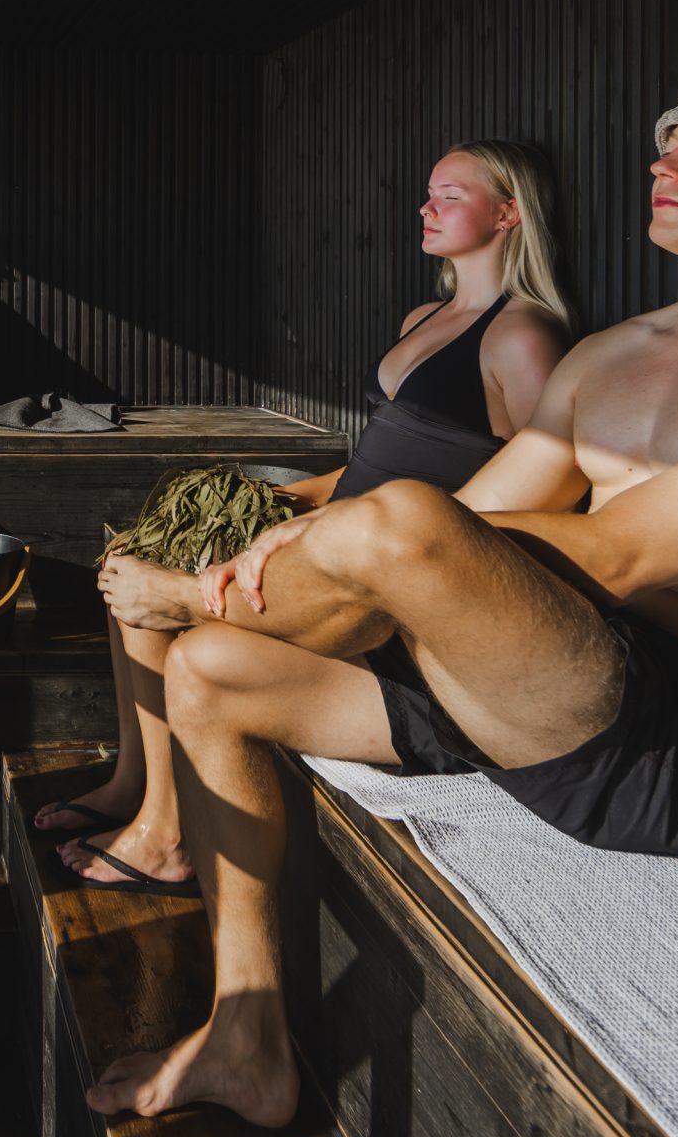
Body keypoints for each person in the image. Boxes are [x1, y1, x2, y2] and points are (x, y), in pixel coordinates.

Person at [86, 23, 678, 1128]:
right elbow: (487, 523)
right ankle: (244, 1032)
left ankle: (195, 609)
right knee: (207, 673)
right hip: (531, 680)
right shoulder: (613, 354)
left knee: (382, 530)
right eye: (664, 141)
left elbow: (617, 555)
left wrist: (265, 568)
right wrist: (323, 558)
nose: (662, 162)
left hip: (673, 748)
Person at [35, 142, 574, 893]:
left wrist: (361, 540)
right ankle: (135, 781)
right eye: (427, 192)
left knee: (156, 597)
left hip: (376, 576)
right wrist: (283, 501)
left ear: (508, 212)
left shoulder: (523, 337)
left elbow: (536, 493)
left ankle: (165, 828)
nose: (425, 207)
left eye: (449, 195)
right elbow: (372, 466)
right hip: (326, 538)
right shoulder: (430, 314)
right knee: (128, 559)